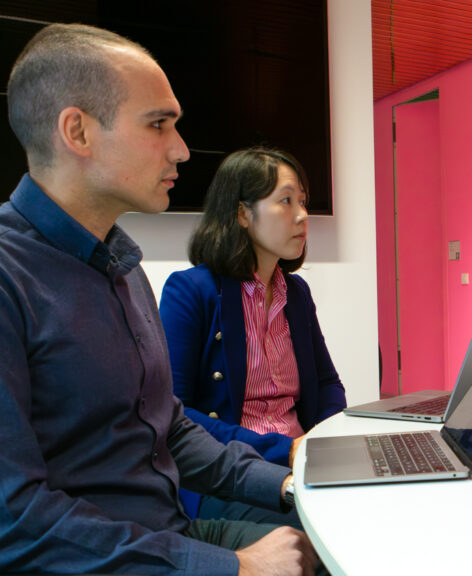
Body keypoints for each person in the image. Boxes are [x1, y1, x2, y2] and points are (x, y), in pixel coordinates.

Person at [0, 23, 320, 574]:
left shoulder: (123, 267)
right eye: (158, 124)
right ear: (77, 131)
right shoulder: (10, 277)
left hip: (166, 532)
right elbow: (16, 520)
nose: (182, 149)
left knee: (345, 544)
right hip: (103, 557)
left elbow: (167, 428)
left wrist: (287, 484)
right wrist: (235, 567)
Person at [160, 148, 347, 526]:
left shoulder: (296, 293)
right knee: (330, 527)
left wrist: (324, 444)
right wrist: (285, 450)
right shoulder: (190, 291)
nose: (302, 215)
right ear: (242, 214)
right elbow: (174, 412)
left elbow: (328, 384)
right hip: (233, 476)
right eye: (286, 201)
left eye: (303, 201)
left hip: (303, 463)